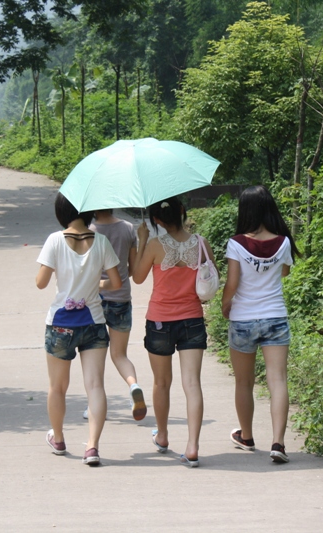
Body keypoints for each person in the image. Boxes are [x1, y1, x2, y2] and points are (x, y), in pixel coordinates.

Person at [36, 193, 121, 466]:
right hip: (94, 322)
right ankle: (92, 447)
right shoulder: (102, 241)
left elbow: (40, 282)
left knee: (57, 387)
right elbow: (116, 283)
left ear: (62, 211)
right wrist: (97, 286)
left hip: (60, 324)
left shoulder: (55, 240)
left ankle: (59, 439)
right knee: (95, 386)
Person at [133, 196, 214, 468]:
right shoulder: (202, 243)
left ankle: (164, 435)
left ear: (156, 220)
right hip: (192, 318)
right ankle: (193, 447)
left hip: (160, 320)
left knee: (161, 383)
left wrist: (142, 239)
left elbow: (138, 276)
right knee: (192, 384)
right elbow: (211, 278)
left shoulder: (156, 245)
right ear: (182, 211)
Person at [220, 185, 298, 464]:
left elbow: (232, 282)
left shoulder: (236, 243)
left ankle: (248, 436)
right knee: (278, 380)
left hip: (243, 318)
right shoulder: (284, 242)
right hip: (275, 316)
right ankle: (278, 443)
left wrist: (225, 305)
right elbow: (285, 272)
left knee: (244, 381)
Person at [86, 209, 146, 421]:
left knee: (95, 356)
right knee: (119, 355)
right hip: (121, 299)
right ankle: (134, 386)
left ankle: (94, 405)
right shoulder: (128, 228)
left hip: (95, 300)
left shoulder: (89, 231)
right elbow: (131, 268)